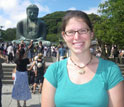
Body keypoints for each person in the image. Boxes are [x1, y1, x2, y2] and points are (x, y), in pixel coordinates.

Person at [41, 10, 124, 107]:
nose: (77, 37)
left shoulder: (111, 70)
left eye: (83, 31)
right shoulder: (54, 71)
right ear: (64, 36)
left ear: (91, 34)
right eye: (71, 32)